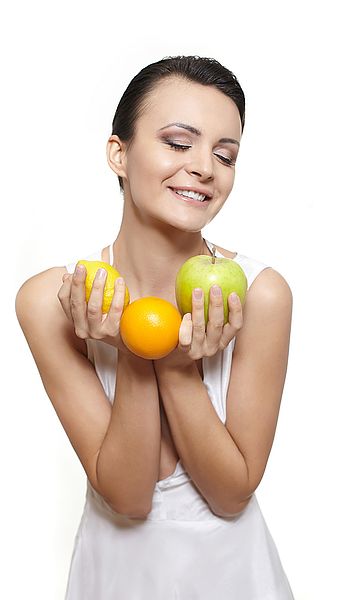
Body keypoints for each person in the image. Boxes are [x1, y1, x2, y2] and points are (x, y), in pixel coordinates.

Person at [15, 55, 294, 599]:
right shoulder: (52, 301)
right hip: (116, 577)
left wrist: (172, 362)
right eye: (176, 142)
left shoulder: (260, 294)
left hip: (233, 578)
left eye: (224, 154)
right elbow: (129, 495)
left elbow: (231, 493)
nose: (205, 168)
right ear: (119, 153)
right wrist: (133, 347)